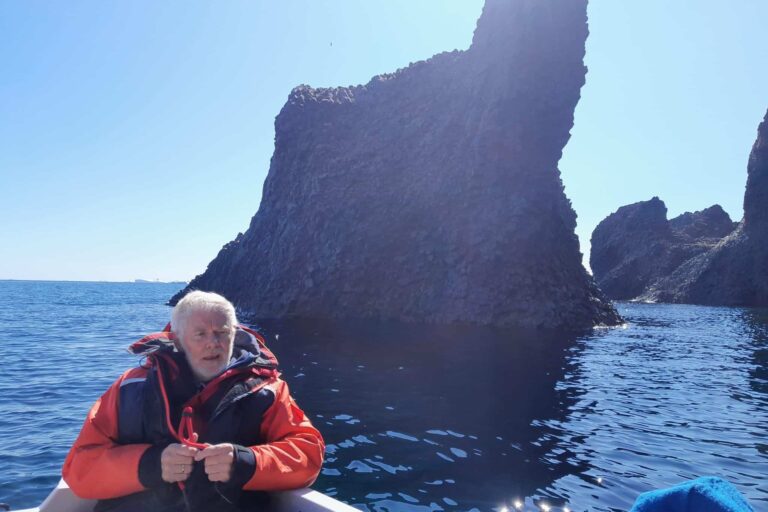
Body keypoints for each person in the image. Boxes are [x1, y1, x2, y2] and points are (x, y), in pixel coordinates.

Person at [62, 291, 324, 512]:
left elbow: (308, 455)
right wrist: (151, 464)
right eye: (200, 334)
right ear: (177, 339)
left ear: (234, 335)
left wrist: (246, 462)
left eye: (222, 333)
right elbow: (80, 469)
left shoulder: (268, 390)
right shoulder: (130, 389)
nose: (214, 343)